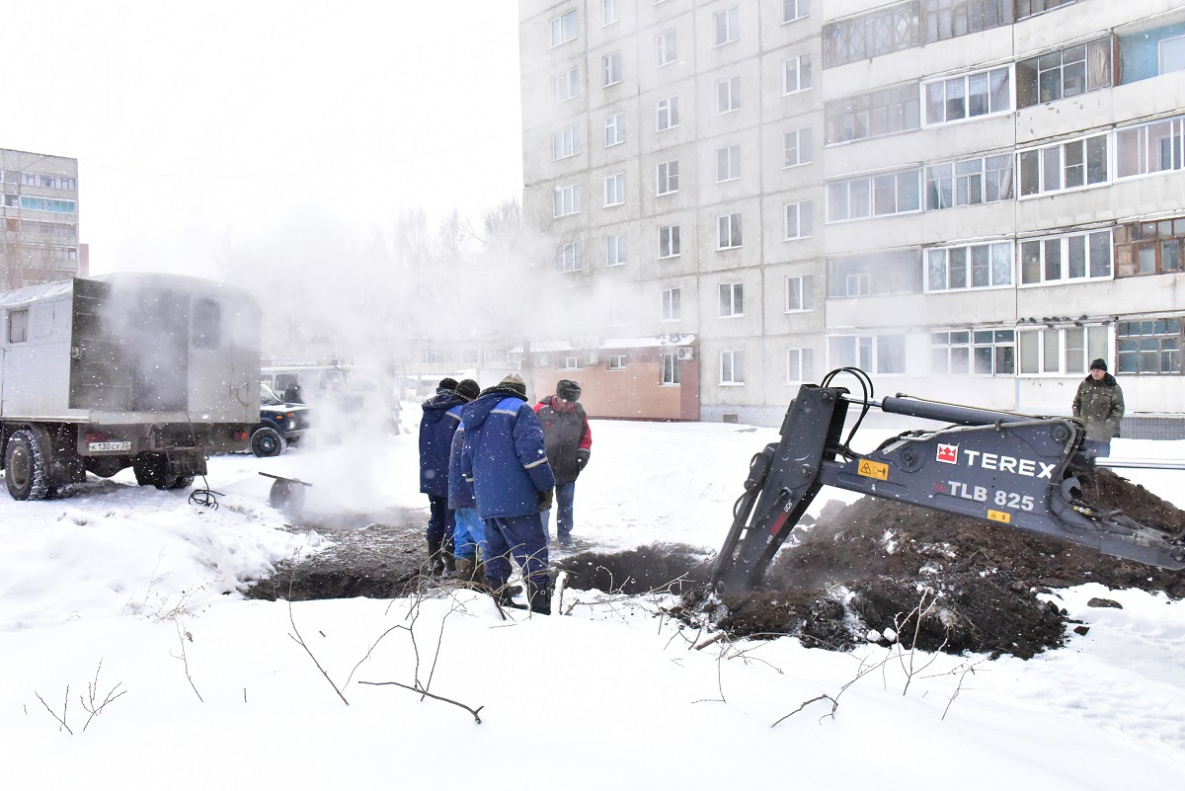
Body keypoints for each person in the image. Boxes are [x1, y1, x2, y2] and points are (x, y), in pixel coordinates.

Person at [460, 373, 557, 614]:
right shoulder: (520, 410)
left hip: (489, 502)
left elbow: (466, 464)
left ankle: (498, 604)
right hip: (519, 500)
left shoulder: (475, 415)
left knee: (495, 555)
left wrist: (480, 495)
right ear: (519, 391)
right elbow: (533, 456)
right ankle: (541, 609)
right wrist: (546, 486)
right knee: (533, 554)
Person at [534, 378, 592, 548]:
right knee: (543, 507)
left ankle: (565, 537)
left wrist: (581, 458)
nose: (569, 405)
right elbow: (528, 437)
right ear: (557, 397)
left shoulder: (579, 413)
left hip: (568, 468)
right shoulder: (540, 410)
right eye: (566, 401)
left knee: (566, 506)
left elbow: (585, 438)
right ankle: (542, 540)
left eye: (573, 401)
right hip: (543, 469)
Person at [418, 377, 466, 575]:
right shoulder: (458, 411)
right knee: (452, 519)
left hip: (430, 473)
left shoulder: (428, 412)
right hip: (450, 474)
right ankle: (450, 562)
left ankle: (433, 559)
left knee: (436, 516)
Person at [446, 379, 485, 583]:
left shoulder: (463, 421)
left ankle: (465, 578)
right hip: (469, 490)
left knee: (463, 533)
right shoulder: (472, 423)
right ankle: (494, 583)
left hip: (457, 489)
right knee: (484, 535)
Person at [1072, 358, 1125, 461]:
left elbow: (1119, 409)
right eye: (1093, 370)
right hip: (1085, 435)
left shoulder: (1113, 387)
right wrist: (1078, 421)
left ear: (1104, 371)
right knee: (1083, 464)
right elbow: (1076, 403)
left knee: (1102, 465)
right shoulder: (1084, 385)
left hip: (1102, 437)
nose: (1095, 373)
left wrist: (1107, 425)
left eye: (1098, 370)